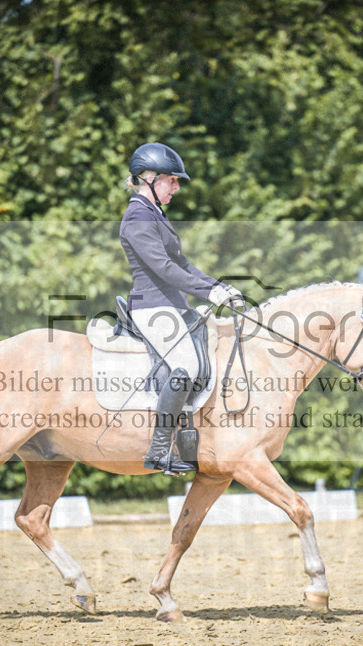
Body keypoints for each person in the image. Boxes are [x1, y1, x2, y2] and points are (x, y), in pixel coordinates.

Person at [119, 142, 244, 475]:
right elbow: (163, 269)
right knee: (185, 366)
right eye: (171, 180)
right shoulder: (137, 217)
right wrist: (208, 293)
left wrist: (219, 287)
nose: (176, 187)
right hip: (152, 308)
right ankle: (159, 450)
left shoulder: (155, 214)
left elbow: (183, 264)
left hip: (172, 306)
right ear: (148, 178)